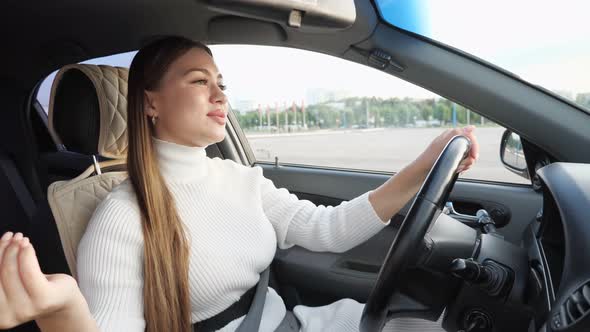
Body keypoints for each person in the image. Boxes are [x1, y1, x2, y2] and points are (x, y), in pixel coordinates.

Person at [0, 36, 478, 332]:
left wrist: (427, 163)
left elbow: (328, 230)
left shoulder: (238, 176)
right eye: (197, 81)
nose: (219, 94)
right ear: (150, 104)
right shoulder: (121, 218)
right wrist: (61, 309)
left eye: (221, 82)